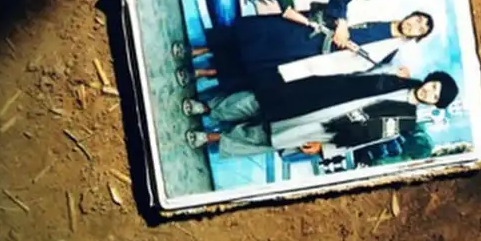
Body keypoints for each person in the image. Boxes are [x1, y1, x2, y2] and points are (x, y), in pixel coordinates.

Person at [171, 0, 435, 90]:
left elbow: (358, 71)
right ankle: (197, 50)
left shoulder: (386, 54)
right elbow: (340, 0)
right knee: (251, 37)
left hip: (310, 57)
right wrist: (342, 24)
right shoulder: (376, 6)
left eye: (420, 28)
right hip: (304, 29)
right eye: (417, 19)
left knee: (257, 66)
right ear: (411, 15)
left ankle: (202, 73)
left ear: (417, 37)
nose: (414, 24)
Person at [183, 70, 459, 159]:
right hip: (318, 95)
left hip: (325, 126)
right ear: (430, 79)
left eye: (436, 96)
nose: (430, 92)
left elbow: (368, 139)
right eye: (434, 86)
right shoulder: (395, 78)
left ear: (435, 105)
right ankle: (207, 108)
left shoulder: (405, 121)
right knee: (257, 102)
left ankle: (209, 137)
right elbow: (353, 75)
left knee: (264, 137)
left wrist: (325, 148)